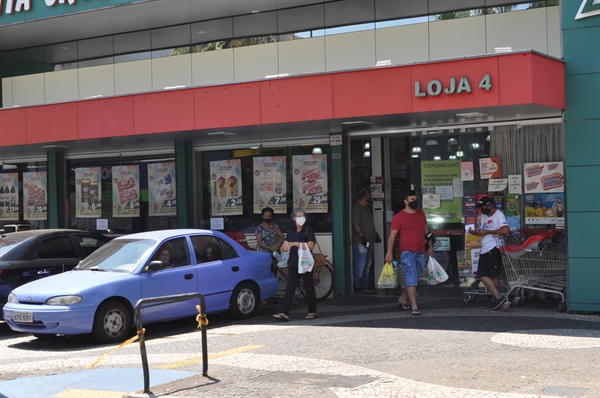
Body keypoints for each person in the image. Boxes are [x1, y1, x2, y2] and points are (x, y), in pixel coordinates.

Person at [385, 190, 433, 316]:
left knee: (414, 279)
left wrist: (430, 246)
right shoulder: (399, 217)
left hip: (420, 251)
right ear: (405, 201)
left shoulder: (421, 213)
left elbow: (426, 231)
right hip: (407, 252)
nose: (415, 202)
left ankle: (402, 298)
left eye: (415, 199)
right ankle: (414, 306)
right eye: (412, 200)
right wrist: (389, 253)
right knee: (411, 279)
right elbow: (392, 236)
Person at [273, 208, 317, 321]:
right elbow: (286, 245)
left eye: (303, 215)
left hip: (305, 262)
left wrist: (296, 244)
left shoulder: (308, 230)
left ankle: (312, 311)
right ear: (294, 218)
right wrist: (285, 247)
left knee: (309, 287)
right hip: (293, 262)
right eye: (298, 215)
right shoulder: (291, 230)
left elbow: (311, 245)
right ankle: (284, 313)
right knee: (290, 288)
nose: (301, 217)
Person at [468, 196, 509, 310]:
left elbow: (505, 230)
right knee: (482, 274)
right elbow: (483, 232)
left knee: (494, 275)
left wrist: (488, 231)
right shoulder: (483, 216)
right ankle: (498, 297)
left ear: (489, 205)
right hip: (485, 248)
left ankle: (494, 299)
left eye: (483, 207)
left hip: (495, 247)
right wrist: (475, 233)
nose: (481, 209)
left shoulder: (499, 214)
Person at [352, 188, 381, 294]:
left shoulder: (366, 208)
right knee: (360, 264)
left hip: (370, 239)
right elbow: (356, 224)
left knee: (367, 264)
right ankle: (357, 285)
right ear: (363, 198)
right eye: (367, 197)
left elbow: (369, 224)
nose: (369, 199)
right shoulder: (357, 208)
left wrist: (375, 235)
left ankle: (365, 284)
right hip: (361, 241)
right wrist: (362, 237)